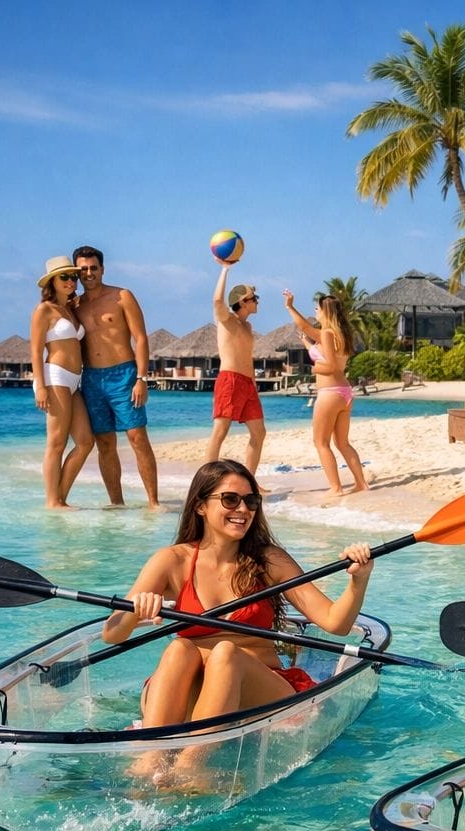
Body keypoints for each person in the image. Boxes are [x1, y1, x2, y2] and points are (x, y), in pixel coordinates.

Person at [103, 459, 374, 779]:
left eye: (251, 501)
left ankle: (192, 766)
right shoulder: (171, 560)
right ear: (201, 506)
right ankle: (150, 761)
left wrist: (359, 580)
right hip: (192, 691)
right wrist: (134, 611)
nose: (243, 509)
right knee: (178, 650)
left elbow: (334, 623)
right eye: (231, 499)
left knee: (226, 652)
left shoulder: (269, 560)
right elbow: (113, 634)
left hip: (259, 691)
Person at [74, 245, 161, 509]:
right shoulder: (74, 305)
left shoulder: (122, 296)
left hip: (124, 374)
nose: (88, 273)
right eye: (83, 269)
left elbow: (141, 338)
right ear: (77, 273)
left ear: (102, 269)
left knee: (137, 437)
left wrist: (141, 378)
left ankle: (153, 502)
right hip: (91, 379)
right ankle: (117, 503)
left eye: (93, 268)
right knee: (104, 442)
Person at [283, 289, 368, 496]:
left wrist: (290, 306)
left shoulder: (327, 334)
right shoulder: (339, 335)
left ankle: (336, 488)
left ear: (326, 312)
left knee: (321, 442)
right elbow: (323, 352)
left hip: (330, 392)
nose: (315, 311)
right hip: (345, 393)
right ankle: (361, 484)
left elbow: (330, 366)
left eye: (317, 308)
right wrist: (306, 342)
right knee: (342, 443)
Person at [28, 256, 93, 509]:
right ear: (51, 282)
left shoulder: (71, 309)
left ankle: (61, 496)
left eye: (72, 276)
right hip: (54, 376)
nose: (70, 281)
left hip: (74, 380)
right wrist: (40, 385)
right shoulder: (43, 310)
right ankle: (51, 501)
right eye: (64, 277)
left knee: (86, 442)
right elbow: (34, 351)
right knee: (56, 443)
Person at [204, 263, 266, 475]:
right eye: (254, 298)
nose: (257, 301)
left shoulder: (248, 326)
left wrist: (254, 384)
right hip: (229, 380)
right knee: (220, 431)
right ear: (243, 302)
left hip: (248, 384)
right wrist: (225, 269)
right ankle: (206, 480)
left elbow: (248, 358)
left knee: (259, 433)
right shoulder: (226, 320)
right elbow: (217, 301)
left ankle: (250, 480)